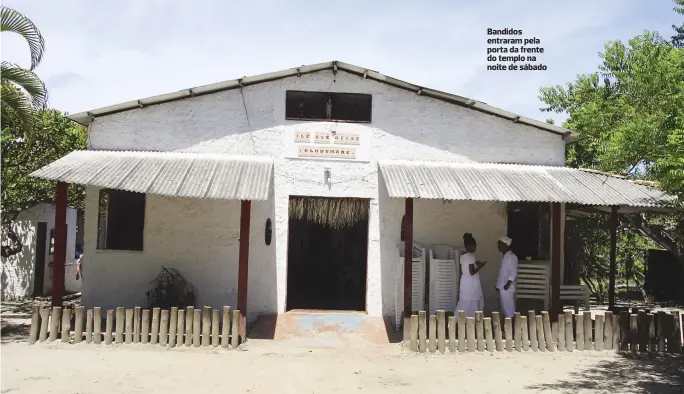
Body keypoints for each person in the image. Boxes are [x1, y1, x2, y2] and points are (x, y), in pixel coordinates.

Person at [456, 233, 486, 317]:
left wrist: (476, 264)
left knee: (464, 302)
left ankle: (461, 320)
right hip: (471, 283)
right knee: (472, 301)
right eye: (474, 246)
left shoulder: (463, 256)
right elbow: (471, 272)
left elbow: (466, 267)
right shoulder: (470, 256)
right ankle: (473, 319)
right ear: (469, 246)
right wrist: (480, 267)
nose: (475, 248)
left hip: (465, 281)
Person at [495, 236, 518, 318]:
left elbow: (513, 272)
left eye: (500, 244)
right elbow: (502, 273)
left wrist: (507, 285)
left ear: (505, 245)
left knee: (509, 310)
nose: (498, 247)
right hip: (503, 287)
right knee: (505, 309)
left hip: (507, 288)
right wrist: (498, 285)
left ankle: (513, 328)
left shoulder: (512, 257)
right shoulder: (505, 257)